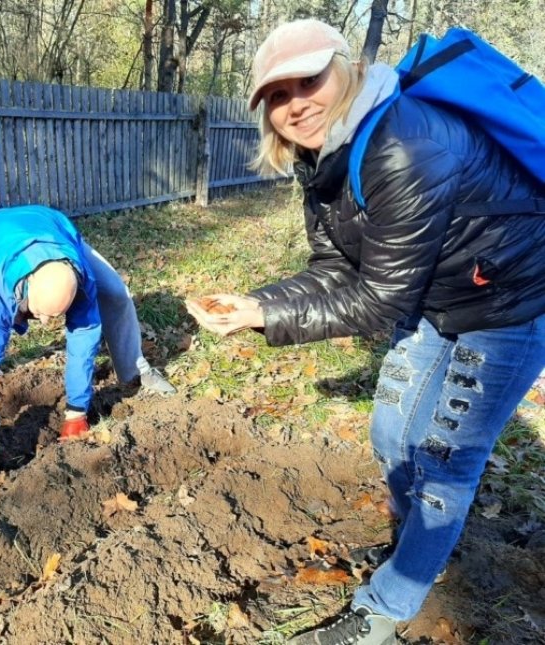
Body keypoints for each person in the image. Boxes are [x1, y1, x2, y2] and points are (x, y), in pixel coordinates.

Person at [186, 18, 545, 645]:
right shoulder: (326, 160)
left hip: (511, 307)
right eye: (276, 95)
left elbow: (378, 300)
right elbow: (336, 269)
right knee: (390, 432)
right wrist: (256, 302)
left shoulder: (402, 144)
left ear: (346, 69)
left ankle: (389, 605)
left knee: (444, 465)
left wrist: (265, 318)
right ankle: (421, 550)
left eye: (309, 80)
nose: (295, 104)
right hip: (440, 298)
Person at [0, 205, 175, 485]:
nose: (45, 323)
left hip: (52, 228)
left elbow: (84, 341)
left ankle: (136, 369)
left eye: (55, 317)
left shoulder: (81, 278)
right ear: (25, 292)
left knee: (116, 292)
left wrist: (76, 411)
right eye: (38, 314)